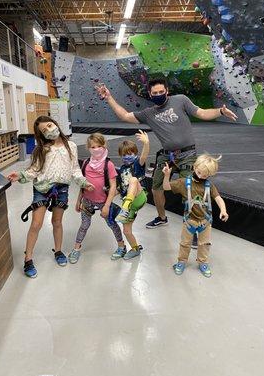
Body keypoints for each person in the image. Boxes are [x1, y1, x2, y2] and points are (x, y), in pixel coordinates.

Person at [95, 78, 237, 230]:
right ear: (150, 94)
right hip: (166, 156)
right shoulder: (148, 113)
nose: (158, 94)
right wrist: (109, 98)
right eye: (155, 93)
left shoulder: (181, 100)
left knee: (190, 190)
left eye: (161, 92)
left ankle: (195, 225)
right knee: (156, 188)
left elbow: (201, 113)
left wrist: (221, 111)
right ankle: (162, 218)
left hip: (187, 154)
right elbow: (125, 116)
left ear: (167, 91)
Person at [8, 116, 94, 278]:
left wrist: (84, 182)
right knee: (36, 223)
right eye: (44, 130)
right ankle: (28, 259)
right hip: (42, 188)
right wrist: (19, 175)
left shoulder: (71, 146)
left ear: (55, 123)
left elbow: (75, 169)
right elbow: (34, 170)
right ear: (41, 134)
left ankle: (59, 251)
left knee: (57, 222)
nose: (49, 130)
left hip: (62, 189)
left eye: (49, 125)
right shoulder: (41, 149)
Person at [162, 154, 229, 277]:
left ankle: (203, 262)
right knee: (185, 244)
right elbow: (166, 187)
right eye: (199, 172)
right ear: (194, 167)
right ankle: (181, 261)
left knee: (204, 244)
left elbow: (218, 198)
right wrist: (166, 176)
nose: (201, 176)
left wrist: (223, 210)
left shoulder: (209, 186)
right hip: (189, 221)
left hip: (205, 221)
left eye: (205, 175)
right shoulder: (183, 183)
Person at [68, 133, 126, 264]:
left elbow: (113, 186)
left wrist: (107, 205)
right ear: (88, 148)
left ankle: (122, 246)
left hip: (103, 202)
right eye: (93, 147)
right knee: (84, 225)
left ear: (104, 146)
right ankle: (76, 248)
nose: (96, 149)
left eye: (99, 146)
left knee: (112, 223)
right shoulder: (86, 164)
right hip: (87, 201)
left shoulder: (108, 165)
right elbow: (83, 184)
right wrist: (78, 200)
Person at [114, 130, 149, 260]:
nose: (127, 156)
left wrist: (146, 144)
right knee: (126, 231)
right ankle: (135, 249)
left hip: (139, 196)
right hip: (129, 204)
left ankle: (125, 208)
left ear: (135, 153)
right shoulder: (122, 169)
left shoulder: (137, 164)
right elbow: (121, 187)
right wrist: (107, 196)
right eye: (124, 154)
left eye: (131, 153)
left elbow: (144, 156)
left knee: (133, 180)